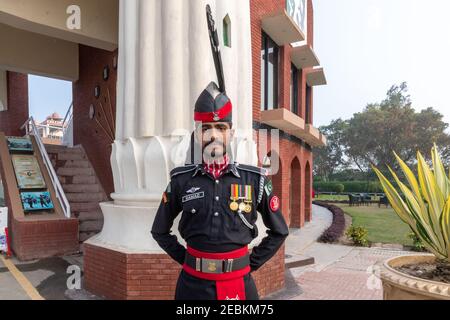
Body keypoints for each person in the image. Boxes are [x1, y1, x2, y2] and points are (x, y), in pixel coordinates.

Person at [151, 81, 289, 300]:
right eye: (206, 128)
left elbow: (280, 231)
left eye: (221, 128)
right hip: (192, 287)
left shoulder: (255, 180)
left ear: (231, 133)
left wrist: (248, 264)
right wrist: (188, 260)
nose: (213, 135)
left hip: (239, 285)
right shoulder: (181, 180)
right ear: (197, 134)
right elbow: (159, 230)